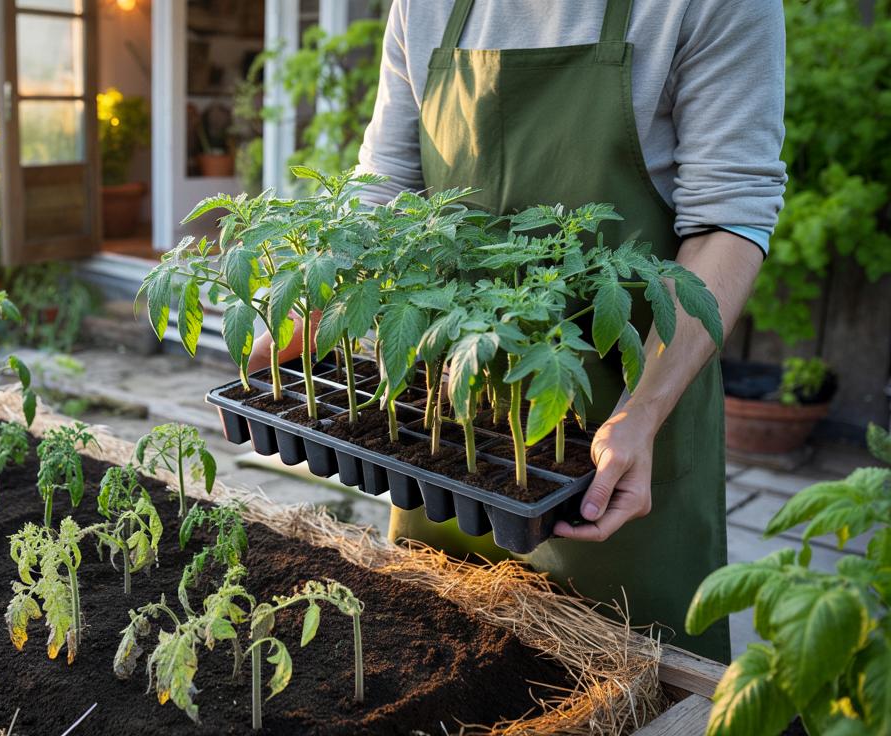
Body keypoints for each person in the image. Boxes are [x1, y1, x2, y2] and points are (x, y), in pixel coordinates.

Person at [248, 0, 785, 662]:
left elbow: (728, 221)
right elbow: (385, 186)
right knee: (437, 672)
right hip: (449, 424)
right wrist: (314, 292)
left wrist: (642, 411)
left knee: (624, 683)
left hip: (619, 432)